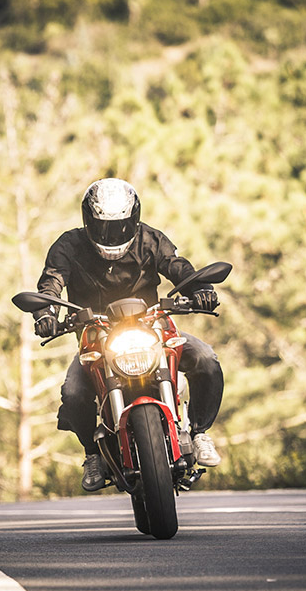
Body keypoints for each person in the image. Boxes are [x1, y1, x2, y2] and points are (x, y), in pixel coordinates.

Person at [31, 178, 224, 492]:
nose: (112, 235)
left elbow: (177, 266)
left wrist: (201, 290)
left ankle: (199, 432)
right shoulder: (68, 246)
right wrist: (46, 315)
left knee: (205, 358)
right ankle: (92, 453)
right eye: (103, 227)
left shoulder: (150, 239)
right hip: (97, 334)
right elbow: (51, 283)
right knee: (74, 393)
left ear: (133, 219)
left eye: (120, 226)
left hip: (152, 325)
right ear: (88, 221)